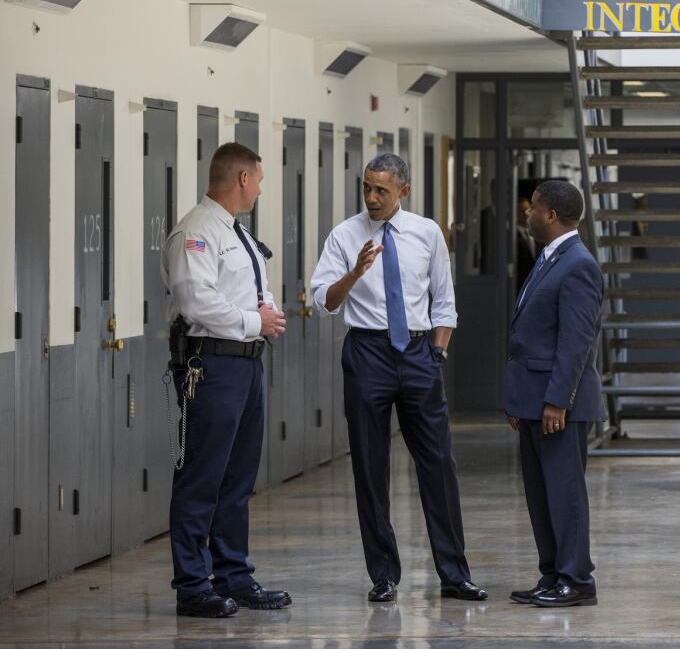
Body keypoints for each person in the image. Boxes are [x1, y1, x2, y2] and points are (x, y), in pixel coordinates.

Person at [310, 153, 486, 603]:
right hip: (367, 350)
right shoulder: (344, 235)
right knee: (370, 468)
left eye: (381, 190)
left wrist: (438, 351)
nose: (371, 197)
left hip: (419, 352)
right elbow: (322, 302)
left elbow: (444, 301)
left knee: (438, 465)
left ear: (403, 191)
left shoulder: (427, 233)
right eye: (367, 188)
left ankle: (454, 574)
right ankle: (383, 576)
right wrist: (355, 272)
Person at [162, 142, 290, 618]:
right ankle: (193, 585)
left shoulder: (237, 233)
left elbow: (253, 290)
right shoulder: (196, 231)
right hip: (210, 367)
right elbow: (196, 302)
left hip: (245, 365)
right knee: (202, 478)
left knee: (237, 480)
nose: (259, 188)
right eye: (258, 179)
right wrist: (256, 321)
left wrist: (264, 317)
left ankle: (233, 575)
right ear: (241, 179)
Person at [504, 180, 604, 608]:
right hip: (533, 400)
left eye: (533, 208)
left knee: (564, 493)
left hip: (557, 404)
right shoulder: (550, 259)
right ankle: (553, 574)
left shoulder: (578, 264)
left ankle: (576, 579)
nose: (526, 213)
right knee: (541, 494)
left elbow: (576, 341)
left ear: (550, 216)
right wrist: (518, 401)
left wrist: (557, 401)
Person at [514, 194, 537, 289]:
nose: (526, 214)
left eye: (528, 210)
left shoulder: (538, 233)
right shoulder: (511, 236)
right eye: (521, 211)